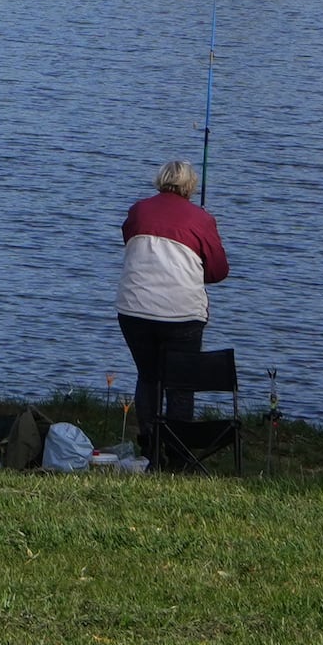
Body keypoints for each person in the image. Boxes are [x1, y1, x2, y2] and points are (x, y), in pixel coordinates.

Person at [116, 159, 229, 455]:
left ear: (160, 180)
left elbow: (131, 241)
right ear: (190, 187)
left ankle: (150, 445)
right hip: (183, 316)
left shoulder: (138, 210)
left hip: (134, 310)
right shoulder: (201, 219)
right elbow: (218, 271)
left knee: (148, 375)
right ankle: (178, 453)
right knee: (180, 383)